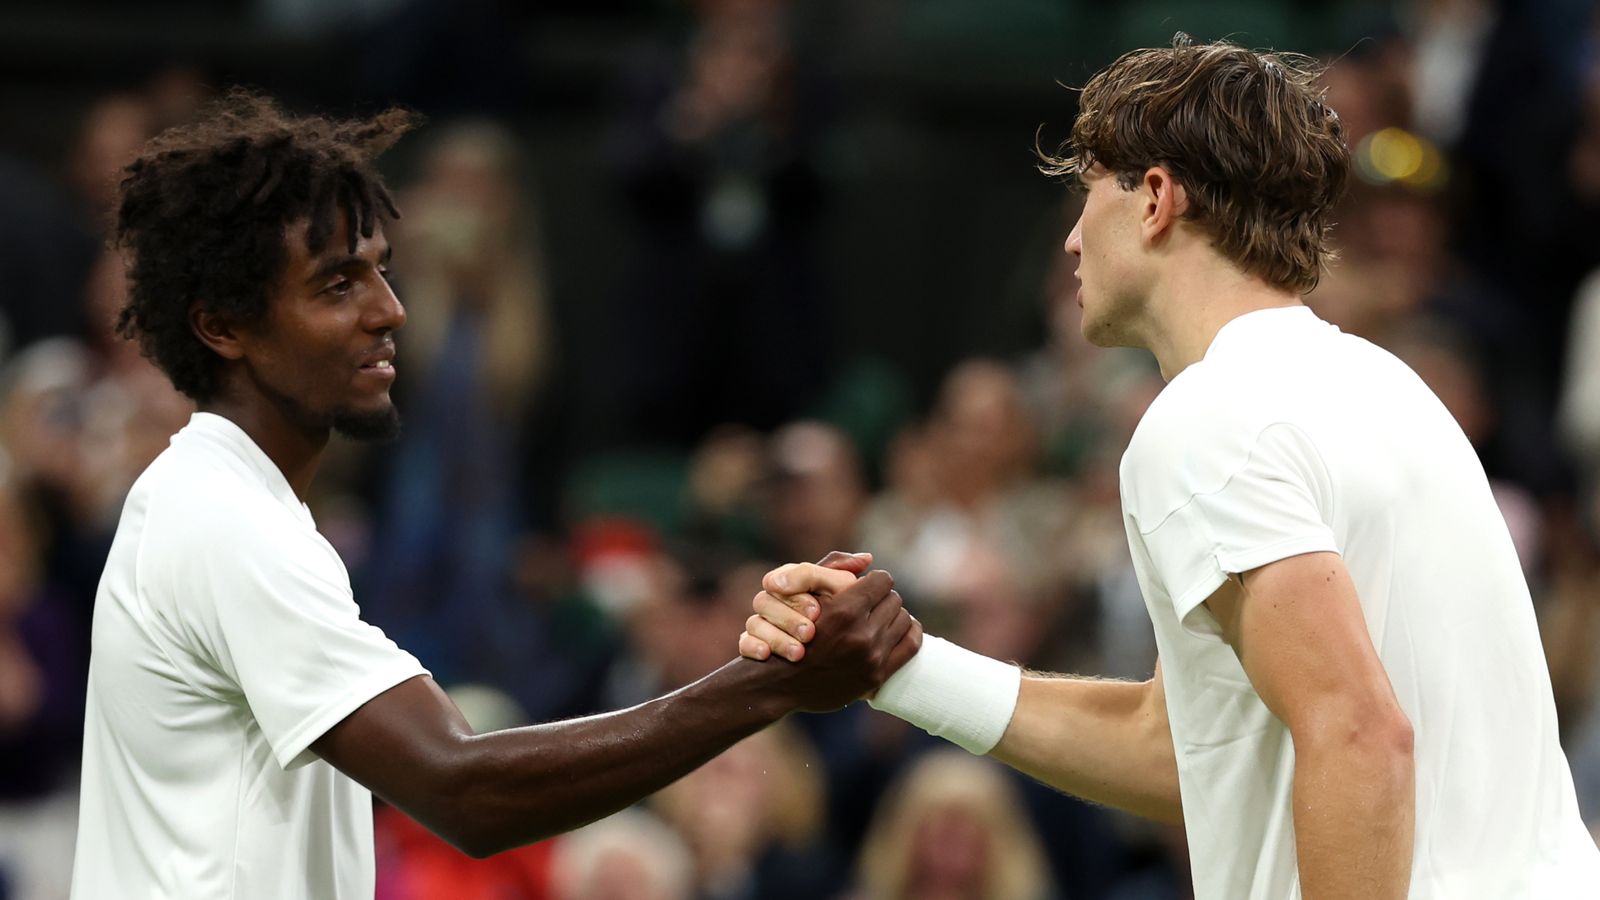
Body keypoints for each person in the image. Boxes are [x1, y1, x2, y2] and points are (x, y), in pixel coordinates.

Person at [743, 35, 1600, 898]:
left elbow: (1360, 733)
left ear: (1154, 198)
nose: (1073, 242)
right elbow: (1181, 748)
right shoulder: (1392, 388)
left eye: (1085, 199)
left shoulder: (1206, 419)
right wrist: (901, 667)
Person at [69, 89, 920, 899]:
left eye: (382, 272)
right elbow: (464, 788)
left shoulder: (226, 504)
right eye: (338, 285)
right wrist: (769, 686)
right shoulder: (224, 520)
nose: (390, 310)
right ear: (223, 325)